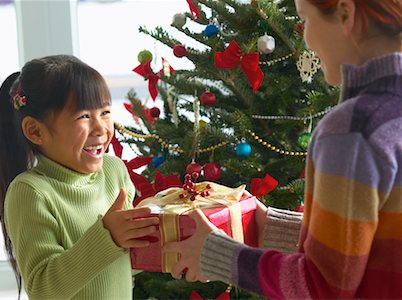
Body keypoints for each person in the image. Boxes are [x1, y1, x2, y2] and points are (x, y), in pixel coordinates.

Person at [164, 0, 402, 298]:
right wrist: (270, 227)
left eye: (307, 20)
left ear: (346, 13)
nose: (308, 41)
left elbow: (321, 288)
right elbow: (377, 241)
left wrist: (217, 255)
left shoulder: (355, 129)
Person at [0, 55, 159, 299]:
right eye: (83, 116)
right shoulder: (30, 192)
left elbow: (127, 264)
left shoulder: (114, 172)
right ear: (35, 131)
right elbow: (42, 289)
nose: (101, 128)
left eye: (104, 112)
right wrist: (108, 237)